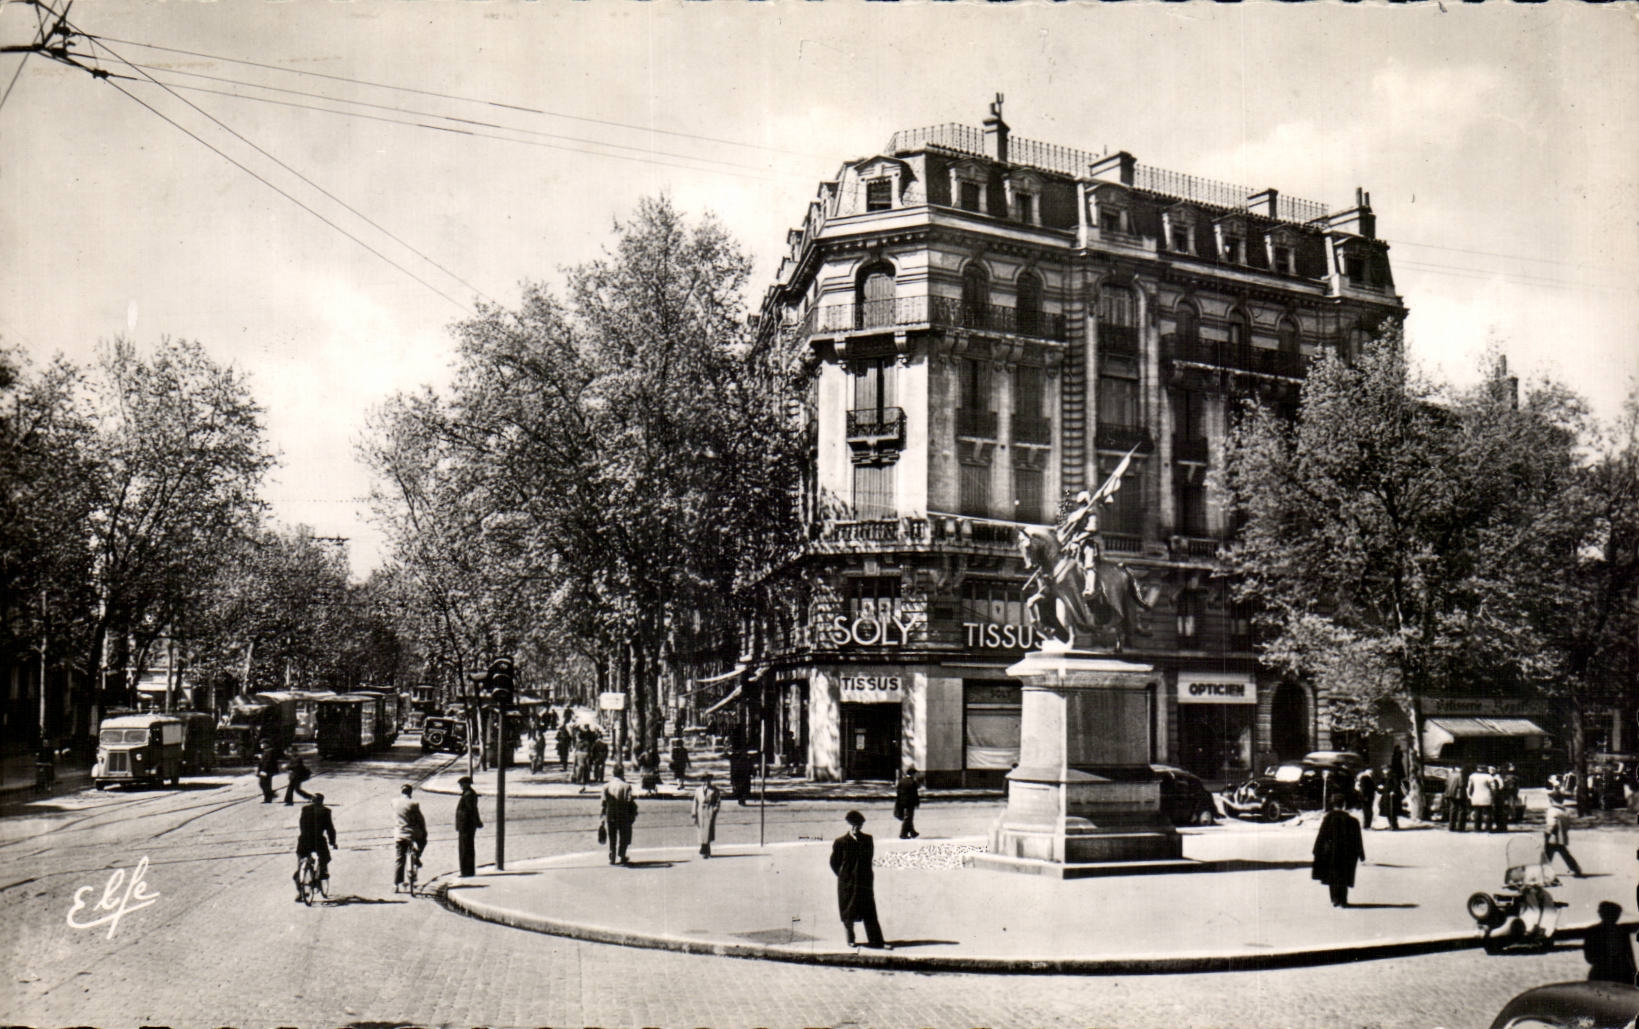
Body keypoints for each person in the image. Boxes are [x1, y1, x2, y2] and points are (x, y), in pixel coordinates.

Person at [830, 810, 890, 949]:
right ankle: (850, 939)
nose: (855, 828)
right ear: (848, 825)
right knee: (848, 912)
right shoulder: (840, 842)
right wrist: (844, 876)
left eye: (858, 825)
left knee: (869, 912)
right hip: (847, 883)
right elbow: (834, 862)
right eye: (853, 825)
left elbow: (868, 860)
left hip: (864, 882)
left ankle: (877, 941)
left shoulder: (868, 840)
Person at [1311, 792, 1365, 908]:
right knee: (1344, 876)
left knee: (1332, 877)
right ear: (1344, 805)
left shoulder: (1328, 819)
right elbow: (1357, 839)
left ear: (1332, 804)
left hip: (1331, 853)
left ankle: (1335, 899)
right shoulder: (1353, 821)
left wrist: (1316, 850)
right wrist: (1361, 853)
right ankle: (1343, 899)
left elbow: (1321, 835)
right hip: (1347, 854)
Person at [293, 792, 337, 901]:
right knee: (325, 858)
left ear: (312, 801)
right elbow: (330, 828)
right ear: (322, 801)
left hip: (304, 841)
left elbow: (301, 824)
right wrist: (333, 842)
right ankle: (321, 874)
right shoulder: (326, 811)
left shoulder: (305, 809)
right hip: (318, 841)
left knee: (300, 865)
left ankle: (300, 893)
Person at [1584, 902, 1637, 985]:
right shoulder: (1592, 932)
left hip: (1622, 975)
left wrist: (1633, 974)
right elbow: (1589, 957)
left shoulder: (1622, 931)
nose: (1617, 916)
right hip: (1602, 975)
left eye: (1618, 914)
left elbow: (1629, 956)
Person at [392, 783, 428, 893]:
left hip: (399, 834)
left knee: (399, 858)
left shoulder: (394, 802)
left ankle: (396, 884)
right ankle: (416, 857)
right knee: (423, 840)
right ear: (410, 793)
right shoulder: (414, 803)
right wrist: (424, 831)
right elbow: (420, 820)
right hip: (412, 834)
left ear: (401, 791)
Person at [599, 764, 638, 865]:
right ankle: (622, 854)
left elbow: (603, 802)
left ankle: (612, 854)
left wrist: (602, 816)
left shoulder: (606, 786)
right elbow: (629, 800)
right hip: (623, 813)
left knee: (612, 835)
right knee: (623, 835)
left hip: (610, 813)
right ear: (622, 773)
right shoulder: (627, 786)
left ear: (613, 773)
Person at [1544, 789, 1584, 877]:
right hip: (1562, 836)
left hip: (1553, 836)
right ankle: (1575, 868)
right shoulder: (1564, 811)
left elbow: (1551, 823)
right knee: (1564, 854)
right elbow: (1568, 824)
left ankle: (1543, 871)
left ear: (1552, 800)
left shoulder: (1552, 810)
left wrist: (1548, 832)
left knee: (1547, 854)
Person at [455, 775, 483, 877]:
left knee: (465, 849)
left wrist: (476, 822)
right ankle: (468, 871)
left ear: (467, 784)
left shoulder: (469, 795)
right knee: (467, 848)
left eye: (462, 784)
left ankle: (466, 872)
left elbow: (471, 811)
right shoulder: (468, 794)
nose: (461, 786)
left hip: (466, 826)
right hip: (466, 826)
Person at [691, 773, 722, 858]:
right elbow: (695, 802)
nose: (707, 782)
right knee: (701, 830)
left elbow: (718, 801)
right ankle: (703, 847)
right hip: (700, 811)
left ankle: (706, 848)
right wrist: (694, 814)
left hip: (709, 811)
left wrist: (715, 809)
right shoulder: (698, 790)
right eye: (705, 780)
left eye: (708, 780)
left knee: (708, 830)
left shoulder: (715, 790)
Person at [1468, 764, 1497, 833]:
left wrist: (1470, 795)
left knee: (1477, 813)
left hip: (1476, 796)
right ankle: (1488, 828)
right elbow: (1493, 788)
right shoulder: (1488, 777)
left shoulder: (1472, 776)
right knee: (1488, 813)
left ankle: (1477, 828)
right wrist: (1494, 795)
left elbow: (1469, 787)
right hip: (1486, 796)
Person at [894, 766, 922, 839]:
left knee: (908, 817)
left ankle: (913, 832)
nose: (915, 775)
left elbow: (898, 792)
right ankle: (903, 834)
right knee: (908, 818)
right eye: (915, 773)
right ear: (912, 774)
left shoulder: (901, 781)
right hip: (910, 803)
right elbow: (915, 794)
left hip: (901, 802)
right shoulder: (912, 782)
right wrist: (917, 803)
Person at [1445, 765, 1469, 832]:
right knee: (1462, 810)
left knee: (1452, 810)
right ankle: (1461, 827)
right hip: (1459, 794)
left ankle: (1451, 826)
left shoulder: (1450, 775)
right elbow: (1461, 784)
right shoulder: (1460, 775)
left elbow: (1446, 783)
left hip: (1451, 794)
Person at [1496, 763, 1520, 831]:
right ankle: (1511, 817)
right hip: (1508, 793)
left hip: (1509, 793)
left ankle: (1511, 817)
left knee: (1509, 806)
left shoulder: (1510, 777)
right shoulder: (1510, 777)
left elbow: (1516, 786)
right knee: (1509, 806)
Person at [1377, 765, 1400, 831]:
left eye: (1385, 769)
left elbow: (1396, 784)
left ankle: (1394, 825)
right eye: (1383, 770)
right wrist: (1379, 788)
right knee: (1388, 811)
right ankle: (1391, 824)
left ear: (1388, 769)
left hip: (1391, 796)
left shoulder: (1393, 776)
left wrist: (1393, 791)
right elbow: (1381, 786)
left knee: (1392, 811)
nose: (1383, 771)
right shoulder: (1384, 777)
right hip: (1385, 796)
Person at [1355, 765, 1377, 831]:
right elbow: (1363, 789)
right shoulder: (1365, 778)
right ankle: (1366, 826)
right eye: (1370, 771)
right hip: (1366, 797)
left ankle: (1367, 825)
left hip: (1368, 797)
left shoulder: (1369, 778)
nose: (1371, 772)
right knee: (1367, 812)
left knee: (1368, 811)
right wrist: (1364, 797)